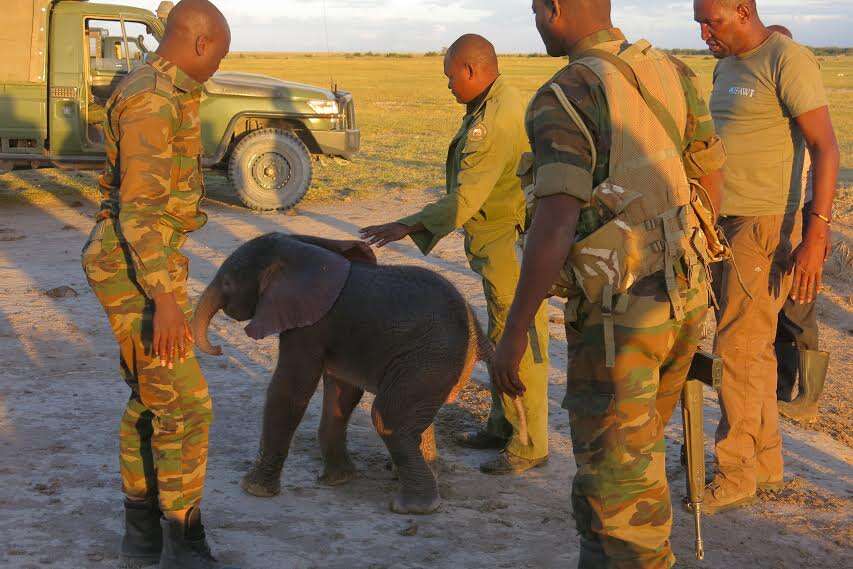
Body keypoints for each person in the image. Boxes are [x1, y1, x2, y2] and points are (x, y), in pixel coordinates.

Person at [491, 0, 725, 566]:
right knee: (627, 459)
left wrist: (515, 329)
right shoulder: (672, 70)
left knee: (620, 485)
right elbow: (711, 178)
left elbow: (556, 221)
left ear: (555, 9)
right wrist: (690, 270)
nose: (536, 22)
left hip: (623, 317)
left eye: (535, 10)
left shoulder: (565, 94)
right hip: (684, 298)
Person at [80, 1, 238, 567]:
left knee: (150, 402)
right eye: (221, 49)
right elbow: (140, 211)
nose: (221, 60)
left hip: (140, 264)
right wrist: (166, 301)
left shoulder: (159, 88)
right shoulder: (152, 99)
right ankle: (181, 542)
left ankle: (142, 539)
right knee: (188, 407)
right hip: (137, 272)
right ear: (200, 44)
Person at [360, 34, 551, 475]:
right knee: (503, 336)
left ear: (471, 70)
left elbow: (464, 200)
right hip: (502, 238)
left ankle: (529, 443)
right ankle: (503, 425)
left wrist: (406, 225)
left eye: (450, 76)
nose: (448, 86)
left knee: (518, 341)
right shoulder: (497, 101)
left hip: (507, 242)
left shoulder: (492, 121)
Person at [694, 0, 839, 513]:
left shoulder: (786, 57)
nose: (705, 32)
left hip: (763, 224)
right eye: (699, 24)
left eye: (711, 21)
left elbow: (825, 147)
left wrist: (814, 235)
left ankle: (734, 475)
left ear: (742, 10)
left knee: (735, 349)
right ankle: (766, 463)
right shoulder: (725, 65)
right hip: (722, 224)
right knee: (752, 348)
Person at [766, 24, 830, 422]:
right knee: (776, 310)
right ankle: (781, 389)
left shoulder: (805, 107)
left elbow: (822, 163)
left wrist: (816, 233)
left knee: (799, 305)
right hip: (778, 211)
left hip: (802, 215)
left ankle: (809, 398)